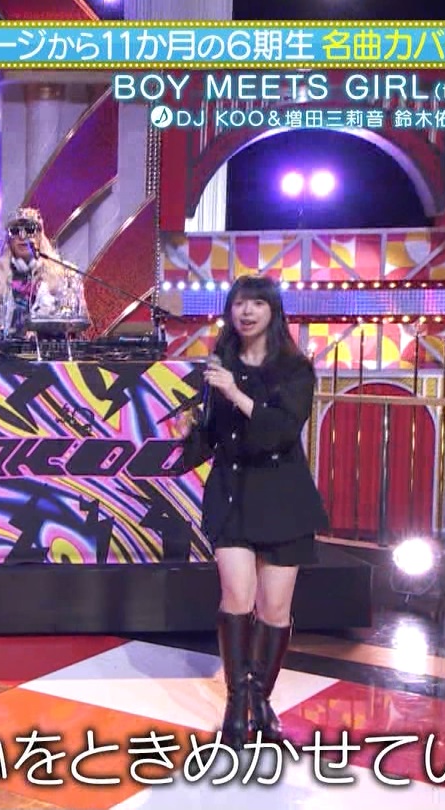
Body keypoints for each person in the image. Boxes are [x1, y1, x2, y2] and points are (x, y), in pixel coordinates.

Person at [175, 274, 329, 746]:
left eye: (256, 304)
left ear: (272, 312)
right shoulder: (220, 364)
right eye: (239, 303)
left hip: (282, 496)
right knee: (237, 599)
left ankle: (261, 700)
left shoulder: (295, 369)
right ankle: (236, 704)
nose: (246, 312)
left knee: (275, 609)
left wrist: (235, 394)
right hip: (232, 494)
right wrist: (191, 431)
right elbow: (213, 440)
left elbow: (279, 431)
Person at [0, 207, 82, 339]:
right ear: (9, 239)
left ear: (39, 235)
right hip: (4, 349)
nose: (22, 236)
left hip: (47, 349)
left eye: (29, 229)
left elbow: (76, 318)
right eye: (15, 231)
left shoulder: (64, 274)